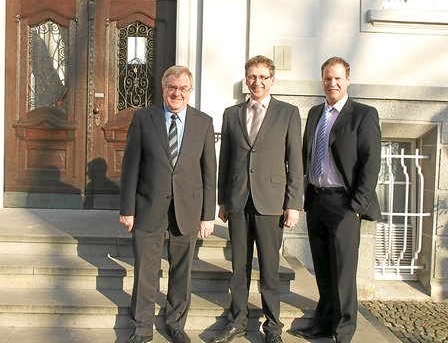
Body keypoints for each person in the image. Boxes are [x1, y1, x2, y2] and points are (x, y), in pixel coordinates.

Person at [119, 65, 217, 343]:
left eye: (183, 88)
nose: (177, 93)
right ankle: (141, 327)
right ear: (163, 88)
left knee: (182, 270)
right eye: (172, 87)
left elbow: (210, 171)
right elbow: (130, 167)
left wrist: (207, 215)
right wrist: (127, 209)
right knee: (145, 269)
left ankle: (175, 323)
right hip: (148, 206)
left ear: (191, 91)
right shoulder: (143, 119)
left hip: (188, 207)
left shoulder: (203, 122)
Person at [211, 55, 303, 343]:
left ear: (272, 80)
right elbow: (225, 159)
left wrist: (293, 203)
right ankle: (236, 321)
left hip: (271, 201)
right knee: (239, 268)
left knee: (269, 269)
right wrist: (222, 200)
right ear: (246, 80)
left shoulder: (287, 113)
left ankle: (273, 328)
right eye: (252, 76)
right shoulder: (232, 113)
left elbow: (295, 162)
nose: (257, 82)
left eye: (263, 76)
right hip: (238, 200)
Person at [290, 56, 381, 343]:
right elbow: (307, 154)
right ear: (322, 81)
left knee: (343, 271)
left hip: (345, 204)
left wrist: (356, 206)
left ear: (348, 80)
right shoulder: (316, 112)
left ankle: (343, 330)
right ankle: (324, 321)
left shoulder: (363, 114)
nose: (333, 83)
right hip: (317, 200)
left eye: (338, 78)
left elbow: (371, 162)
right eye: (328, 79)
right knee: (324, 268)